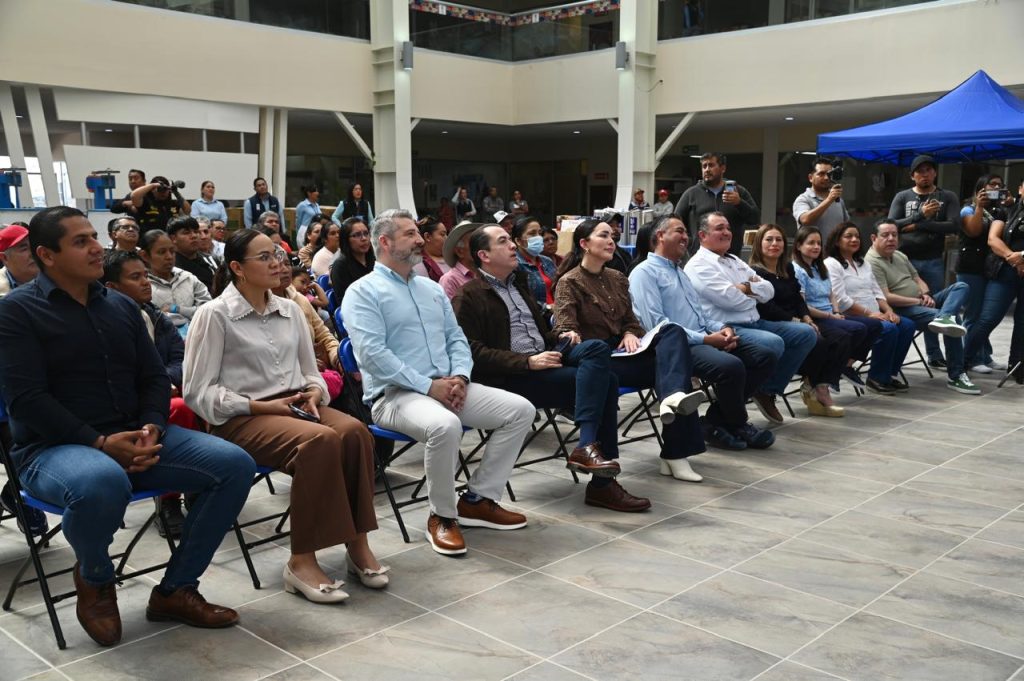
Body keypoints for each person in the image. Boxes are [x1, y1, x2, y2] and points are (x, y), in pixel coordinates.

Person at [0, 206, 254, 646]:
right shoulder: (16, 313)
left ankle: (176, 589)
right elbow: (27, 400)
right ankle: (96, 578)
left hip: (135, 435)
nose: (96, 248)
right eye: (80, 242)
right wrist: (99, 442)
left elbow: (153, 377)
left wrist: (152, 427)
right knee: (101, 481)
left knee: (234, 465)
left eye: (93, 237)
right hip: (52, 449)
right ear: (47, 254)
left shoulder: (120, 305)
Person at [185, 229, 388, 603]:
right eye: (264, 257)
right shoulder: (214, 315)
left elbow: (311, 371)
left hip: (296, 406)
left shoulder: (291, 309)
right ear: (237, 268)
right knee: (320, 440)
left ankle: (357, 544)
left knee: (355, 431)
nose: (277, 263)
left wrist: (315, 392)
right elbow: (198, 393)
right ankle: (301, 560)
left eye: (277, 255)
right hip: (242, 418)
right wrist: (261, 406)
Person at [342, 209, 535, 557]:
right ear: (384, 242)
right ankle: (442, 516)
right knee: (445, 426)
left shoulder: (431, 289)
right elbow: (373, 355)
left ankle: (478, 499)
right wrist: (429, 387)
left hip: (448, 386)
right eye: (409, 234)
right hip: (394, 395)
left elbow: (456, 339)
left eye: (418, 233)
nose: (420, 239)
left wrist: (460, 376)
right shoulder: (363, 292)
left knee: (520, 410)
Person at [454, 225, 650, 491]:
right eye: (503, 241)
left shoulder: (519, 283)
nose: (513, 245)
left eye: (511, 240)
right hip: (514, 374)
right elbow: (471, 351)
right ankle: (600, 479)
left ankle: (587, 450)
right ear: (484, 255)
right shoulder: (468, 296)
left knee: (595, 349)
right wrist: (527, 362)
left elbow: (540, 331)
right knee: (607, 381)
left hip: (547, 355)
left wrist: (562, 334)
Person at [554, 219, 708, 491]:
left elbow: (632, 321)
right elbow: (565, 327)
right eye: (603, 235)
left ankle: (672, 405)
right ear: (584, 243)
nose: (611, 241)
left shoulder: (617, 278)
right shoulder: (569, 282)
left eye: (612, 236)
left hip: (626, 351)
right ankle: (675, 452)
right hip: (599, 360)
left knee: (672, 336)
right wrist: (572, 334)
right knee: (675, 374)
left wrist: (629, 332)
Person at [630, 216, 777, 452]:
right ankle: (737, 423)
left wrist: (721, 328)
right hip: (676, 347)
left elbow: (701, 315)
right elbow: (657, 326)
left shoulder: (679, 272)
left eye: (685, 232)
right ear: (660, 236)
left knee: (765, 355)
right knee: (731, 367)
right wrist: (707, 339)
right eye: (679, 231)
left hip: (703, 337)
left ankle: (716, 421)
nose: (686, 237)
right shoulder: (644, 273)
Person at [684, 212, 816, 425]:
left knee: (806, 334)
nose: (727, 232)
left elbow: (769, 290)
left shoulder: (734, 260)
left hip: (755, 322)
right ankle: (736, 399)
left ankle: (766, 390)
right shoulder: (699, 265)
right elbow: (731, 300)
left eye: (728, 228)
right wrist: (753, 292)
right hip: (726, 328)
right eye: (719, 228)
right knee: (773, 343)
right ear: (702, 235)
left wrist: (745, 289)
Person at [101, 249, 193, 538]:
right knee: (179, 409)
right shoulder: (104, 323)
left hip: (163, 388)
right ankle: (169, 499)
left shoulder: (156, 316)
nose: (145, 283)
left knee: (197, 401)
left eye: (145, 275)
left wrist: (162, 380)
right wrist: (156, 385)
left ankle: (196, 486)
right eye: (135, 277)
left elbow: (181, 360)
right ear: (112, 287)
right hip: (134, 403)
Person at [750, 225, 861, 416]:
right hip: (770, 320)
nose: (775, 244)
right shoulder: (753, 272)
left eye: (779, 239)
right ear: (759, 244)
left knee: (837, 337)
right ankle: (785, 387)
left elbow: (797, 298)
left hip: (796, 319)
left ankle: (816, 384)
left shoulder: (786, 268)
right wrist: (796, 321)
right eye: (769, 239)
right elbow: (766, 308)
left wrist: (807, 318)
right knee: (819, 340)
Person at [866, 219, 978, 395]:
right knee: (955, 320)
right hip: (901, 309)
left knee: (960, 286)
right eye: (885, 235)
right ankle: (956, 375)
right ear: (874, 238)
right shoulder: (872, 262)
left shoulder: (899, 255)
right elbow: (886, 297)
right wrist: (917, 301)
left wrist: (925, 294)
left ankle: (944, 316)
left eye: (894, 235)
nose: (891, 239)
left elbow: (917, 279)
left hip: (920, 301)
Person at [824, 222, 916, 395]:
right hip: (850, 315)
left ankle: (889, 374)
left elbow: (877, 291)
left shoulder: (863, 263)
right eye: (848, 236)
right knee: (889, 329)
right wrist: (870, 314)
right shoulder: (832, 264)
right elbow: (841, 300)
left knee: (907, 325)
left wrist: (888, 311)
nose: (854, 239)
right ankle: (877, 379)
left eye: (857, 236)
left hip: (874, 314)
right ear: (837, 241)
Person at [887, 155, 960, 369]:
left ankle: (934, 354)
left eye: (929, 170)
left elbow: (954, 225)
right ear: (912, 176)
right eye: (920, 171)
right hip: (903, 261)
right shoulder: (903, 196)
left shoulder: (947, 196)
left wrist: (920, 225)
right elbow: (891, 224)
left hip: (933, 259)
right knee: (901, 304)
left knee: (933, 305)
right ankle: (895, 351)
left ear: (935, 173)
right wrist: (920, 214)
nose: (924, 174)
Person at [964, 180, 1024, 384]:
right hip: (1004, 271)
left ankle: (1017, 367)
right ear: (1020, 189)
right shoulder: (1006, 210)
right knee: (988, 318)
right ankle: (962, 361)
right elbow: (993, 239)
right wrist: (1012, 258)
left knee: (1023, 323)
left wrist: (1021, 256)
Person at [959, 174, 1009, 374]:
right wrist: (979, 207)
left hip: (989, 268)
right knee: (973, 314)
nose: (996, 188)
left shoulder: (999, 211)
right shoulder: (968, 209)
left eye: (999, 185)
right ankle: (971, 358)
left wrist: (1011, 205)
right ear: (981, 187)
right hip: (971, 268)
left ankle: (985, 356)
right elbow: (973, 231)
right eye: (992, 184)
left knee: (985, 316)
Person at [273, 264, 344, 400]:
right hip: (291, 387)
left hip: (319, 371)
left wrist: (337, 358)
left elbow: (324, 335)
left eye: (286, 264)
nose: (284, 269)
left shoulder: (300, 299)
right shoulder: (260, 311)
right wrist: (304, 364)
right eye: (277, 264)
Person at [674, 152, 759, 255]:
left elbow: (754, 219)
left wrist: (739, 203)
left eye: (711, 165)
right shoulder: (691, 194)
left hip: (730, 255)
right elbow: (675, 222)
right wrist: (691, 243)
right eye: (704, 166)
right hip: (700, 256)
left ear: (723, 168)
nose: (707, 169)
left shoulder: (739, 192)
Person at [139, 229, 211, 336]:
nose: (169, 257)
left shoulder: (188, 278)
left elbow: (208, 311)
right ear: (145, 255)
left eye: (172, 251)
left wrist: (177, 309)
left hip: (196, 338)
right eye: (161, 252)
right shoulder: (142, 284)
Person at [792, 156, 849, 244]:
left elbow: (846, 226)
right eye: (821, 174)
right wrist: (829, 200)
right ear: (810, 178)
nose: (826, 178)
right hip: (813, 251)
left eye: (829, 174)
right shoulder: (803, 199)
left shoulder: (838, 200)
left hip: (834, 251)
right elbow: (805, 220)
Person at [511, 216, 557, 307]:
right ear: (519, 241)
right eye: (532, 234)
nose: (538, 237)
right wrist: (548, 308)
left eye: (539, 233)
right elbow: (520, 299)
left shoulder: (547, 261)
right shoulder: (514, 265)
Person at [329, 217, 375, 302]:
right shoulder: (340, 266)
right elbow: (344, 301)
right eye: (357, 235)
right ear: (346, 239)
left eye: (366, 233)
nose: (364, 238)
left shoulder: (375, 259)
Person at [167, 215, 215, 292]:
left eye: (196, 232)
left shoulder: (212, 260)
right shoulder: (169, 267)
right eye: (186, 233)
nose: (194, 236)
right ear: (173, 238)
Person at [438, 221, 479, 300]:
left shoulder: (485, 272)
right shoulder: (449, 280)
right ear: (460, 251)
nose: (480, 246)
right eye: (473, 242)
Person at [0, 224, 40, 297]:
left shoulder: (56, 278)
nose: (33, 253)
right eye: (24, 249)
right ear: (5, 258)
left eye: (34, 246)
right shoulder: (3, 292)